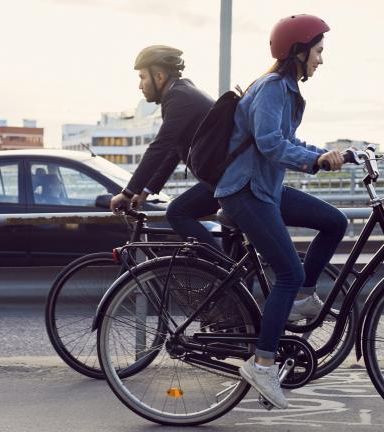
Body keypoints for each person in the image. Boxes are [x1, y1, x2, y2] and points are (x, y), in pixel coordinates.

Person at [214, 14, 348, 409]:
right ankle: (263, 364)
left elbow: (287, 140)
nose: (321, 60)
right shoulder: (273, 88)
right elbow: (271, 144)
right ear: (298, 51)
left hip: (265, 187)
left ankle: (305, 296)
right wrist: (316, 161)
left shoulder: (287, 90)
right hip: (246, 191)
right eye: (318, 52)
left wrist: (330, 154)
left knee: (334, 221)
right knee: (287, 272)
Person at [108, 45, 220, 248]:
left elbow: (159, 147)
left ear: (159, 77)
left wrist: (127, 192)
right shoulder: (183, 92)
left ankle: (220, 268)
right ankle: (223, 270)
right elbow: (173, 151)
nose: (140, 86)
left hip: (227, 182)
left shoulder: (179, 97)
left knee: (177, 212)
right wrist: (145, 190)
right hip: (222, 180)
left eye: (142, 77)